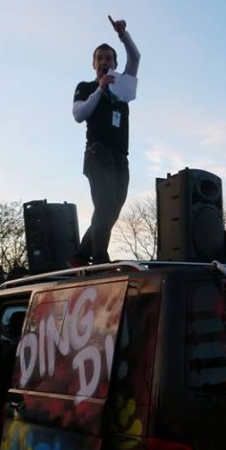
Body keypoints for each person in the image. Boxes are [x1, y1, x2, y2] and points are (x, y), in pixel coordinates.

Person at [71, 16, 141, 266]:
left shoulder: (122, 86)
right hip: (97, 154)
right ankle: (100, 259)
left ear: (115, 63)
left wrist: (123, 35)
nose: (104, 61)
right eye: (99, 58)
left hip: (120, 156)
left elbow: (136, 58)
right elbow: (79, 115)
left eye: (108, 58)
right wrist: (99, 89)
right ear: (93, 64)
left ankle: (80, 256)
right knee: (103, 206)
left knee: (111, 211)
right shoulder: (86, 86)